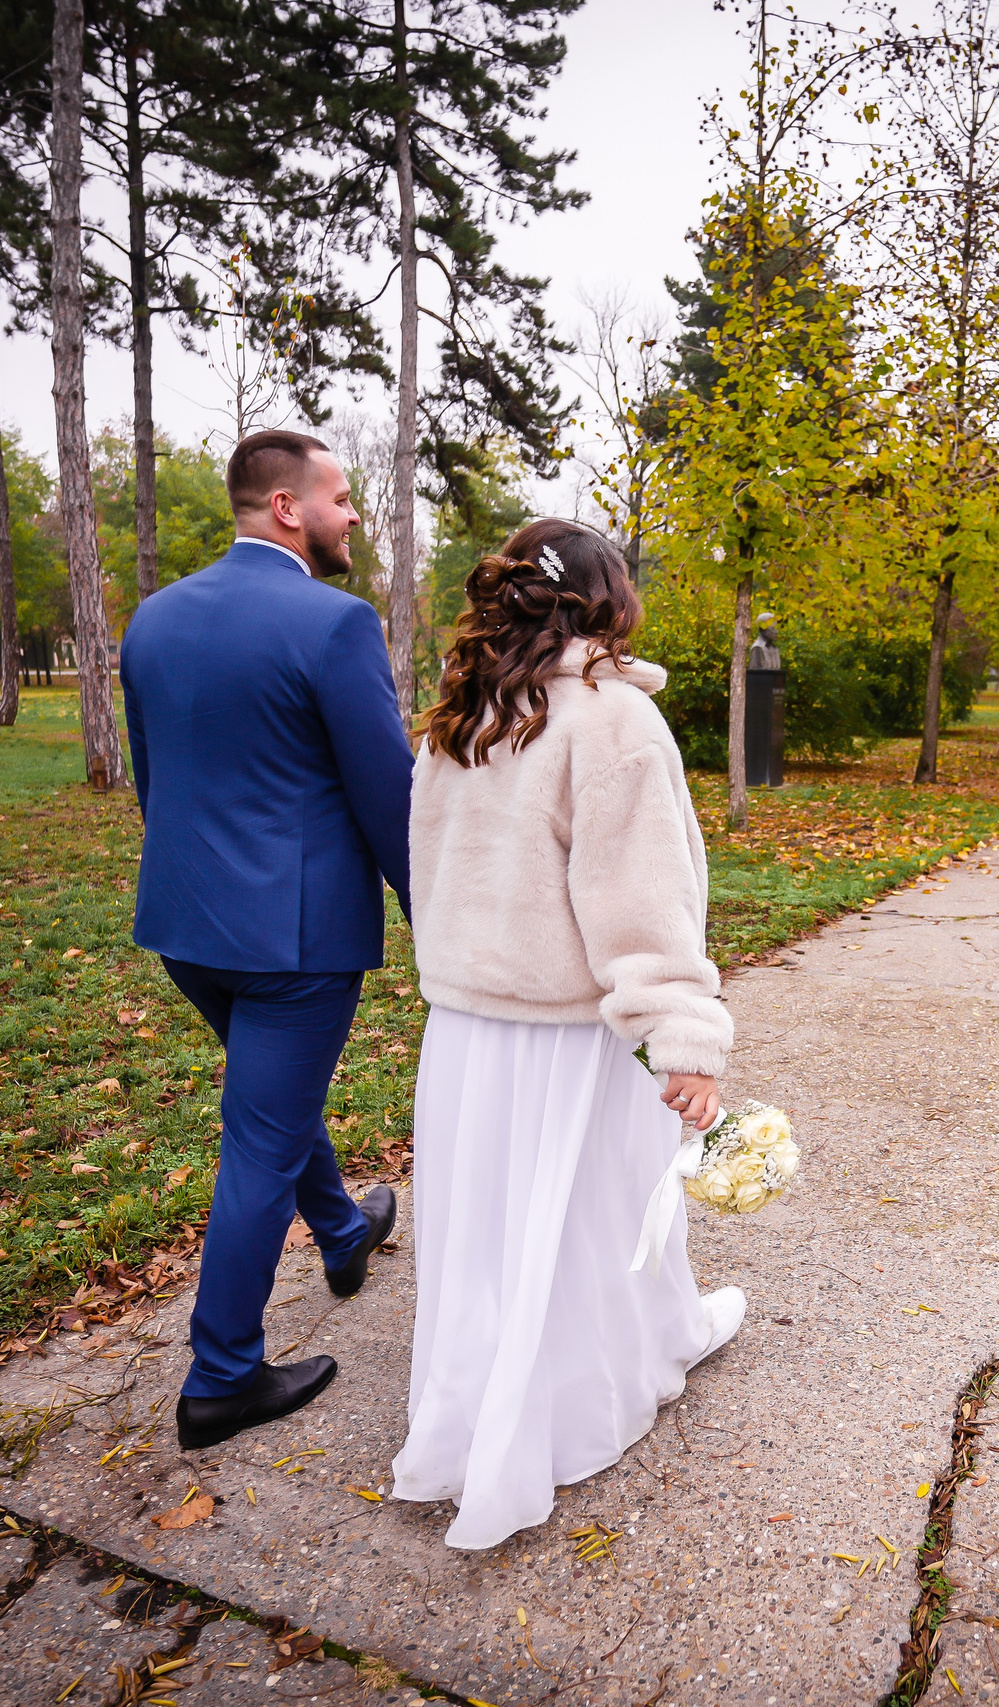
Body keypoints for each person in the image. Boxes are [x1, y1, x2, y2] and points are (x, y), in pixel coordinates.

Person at [393, 519, 743, 1550]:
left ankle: (480, 1417)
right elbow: (641, 900)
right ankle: (585, 1401)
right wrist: (682, 1036)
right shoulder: (609, 722)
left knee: (494, 1234)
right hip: (562, 1029)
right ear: (608, 599)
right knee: (592, 1211)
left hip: (464, 1030)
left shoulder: (462, 716)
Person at [120, 429, 416, 1451]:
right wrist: (440, 917)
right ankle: (222, 1377)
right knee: (259, 1138)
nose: (350, 519)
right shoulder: (334, 624)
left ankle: (343, 1230)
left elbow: (154, 781)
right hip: (294, 939)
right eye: (339, 499)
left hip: (186, 924)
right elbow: (389, 795)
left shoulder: (153, 620)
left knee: (268, 1104)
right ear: (288, 508)